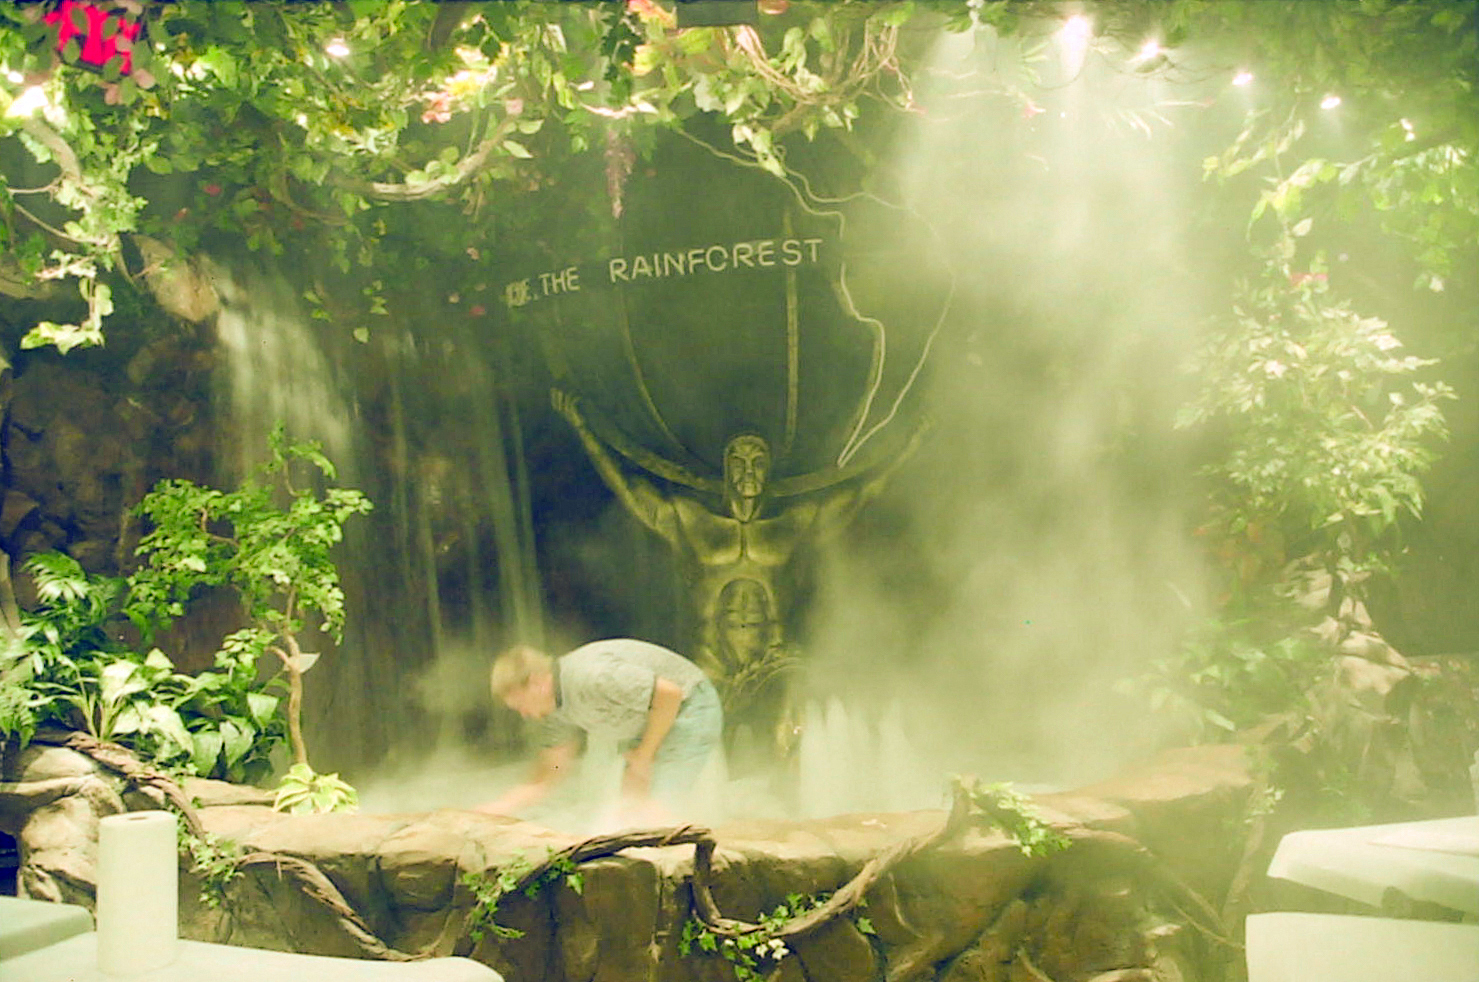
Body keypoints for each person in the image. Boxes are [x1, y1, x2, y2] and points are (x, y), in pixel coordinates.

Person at [478, 638, 722, 824]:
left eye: (520, 704)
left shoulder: (592, 676)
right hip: (649, 721)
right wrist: (493, 811)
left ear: (536, 682)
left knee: (658, 812)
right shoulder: (554, 711)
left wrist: (643, 757)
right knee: (631, 807)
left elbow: (670, 694)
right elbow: (549, 774)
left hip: (690, 705)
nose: (524, 714)